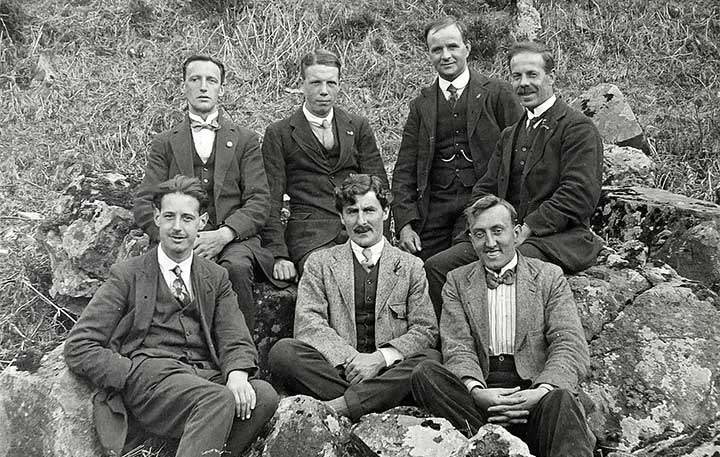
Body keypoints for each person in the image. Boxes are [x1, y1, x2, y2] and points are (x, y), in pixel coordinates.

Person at [65, 176, 279, 457]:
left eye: (187, 218)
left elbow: (234, 335)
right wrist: (127, 375)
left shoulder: (215, 276)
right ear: (156, 218)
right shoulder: (128, 275)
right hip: (151, 382)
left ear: (201, 222)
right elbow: (80, 346)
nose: (178, 227)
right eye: (169, 217)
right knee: (216, 399)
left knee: (262, 396)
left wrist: (237, 375)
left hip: (203, 377)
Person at [424, 41, 604, 314]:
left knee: (509, 265)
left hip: (555, 239)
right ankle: (454, 345)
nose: (524, 84)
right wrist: (482, 227)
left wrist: (528, 227)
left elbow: (578, 195)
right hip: (504, 235)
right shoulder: (510, 134)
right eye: (516, 76)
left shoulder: (577, 128)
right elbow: (486, 187)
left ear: (551, 77)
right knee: (437, 268)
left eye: (532, 75)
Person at [411, 195, 594, 457]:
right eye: (479, 234)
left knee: (561, 399)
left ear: (517, 233)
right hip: (481, 398)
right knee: (425, 374)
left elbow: (569, 342)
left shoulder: (548, 277)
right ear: (471, 239)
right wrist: (477, 391)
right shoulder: (457, 281)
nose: (490, 243)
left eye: (498, 231)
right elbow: (457, 345)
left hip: (532, 392)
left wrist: (541, 392)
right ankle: (491, 445)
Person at [268, 174, 439, 421]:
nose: (361, 221)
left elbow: (425, 330)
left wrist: (379, 359)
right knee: (284, 353)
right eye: (352, 212)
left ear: (386, 212)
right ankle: (374, 401)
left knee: (431, 360)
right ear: (341, 217)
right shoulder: (320, 263)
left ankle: (344, 407)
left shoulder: (411, 266)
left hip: (390, 370)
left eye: (369, 210)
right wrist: (353, 360)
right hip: (340, 371)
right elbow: (309, 324)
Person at [133, 55, 276, 332]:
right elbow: (144, 202)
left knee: (235, 267)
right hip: (179, 234)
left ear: (221, 89)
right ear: (183, 86)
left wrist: (224, 235)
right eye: (195, 79)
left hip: (232, 239)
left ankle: (239, 355)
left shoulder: (245, 140)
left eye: (211, 80)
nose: (203, 87)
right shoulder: (164, 143)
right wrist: (178, 236)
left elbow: (259, 201)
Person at [392, 16, 522, 263]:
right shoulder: (421, 105)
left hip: (483, 203)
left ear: (467, 48)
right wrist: (405, 224)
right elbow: (405, 169)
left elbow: (519, 155)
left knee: (459, 263)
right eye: (437, 49)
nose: (446, 55)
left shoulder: (498, 94)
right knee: (415, 268)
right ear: (429, 54)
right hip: (435, 207)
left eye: (452, 46)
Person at [261, 49, 389, 282]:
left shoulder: (357, 126)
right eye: (316, 83)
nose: (323, 91)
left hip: (358, 225)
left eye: (331, 83)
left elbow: (379, 187)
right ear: (302, 85)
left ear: (339, 85)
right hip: (310, 235)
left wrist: (383, 239)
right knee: (329, 274)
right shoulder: (279, 133)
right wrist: (279, 254)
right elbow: (270, 199)